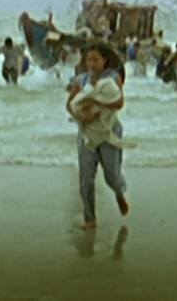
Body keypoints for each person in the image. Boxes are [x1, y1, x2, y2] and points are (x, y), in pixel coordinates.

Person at [66, 43, 129, 230]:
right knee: (86, 177)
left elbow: (119, 102)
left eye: (96, 60)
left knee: (112, 175)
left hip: (108, 131)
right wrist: (80, 116)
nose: (91, 64)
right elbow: (69, 104)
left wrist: (96, 103)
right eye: (88, 60)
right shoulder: (81, 79)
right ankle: (90, 219)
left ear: (105, 61)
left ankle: (119, 192)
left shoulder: (113, 78)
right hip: (87, 132)